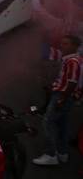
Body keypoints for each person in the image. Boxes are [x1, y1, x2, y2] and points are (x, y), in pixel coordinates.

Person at [33, 34, 82, 166]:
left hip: (62, 96)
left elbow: (72, 82)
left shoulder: (73, 61)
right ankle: (62, 152)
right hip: (63, 95)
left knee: (47, 123)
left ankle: (51, 155)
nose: (62, 46)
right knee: (62, 125)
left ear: (75, 46)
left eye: (66, 44)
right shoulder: (73, 59)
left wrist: (62, 98)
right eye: (62, 43)